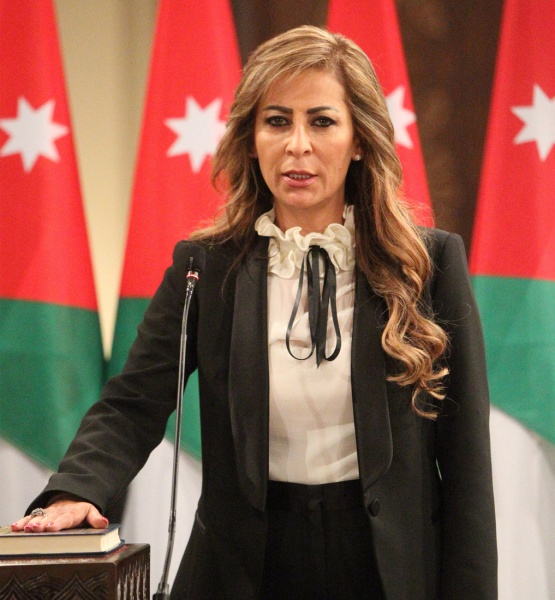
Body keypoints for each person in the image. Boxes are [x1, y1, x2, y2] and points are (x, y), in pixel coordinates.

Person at [12, 25, 497, 599]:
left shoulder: (429, 265)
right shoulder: (204, 267)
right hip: (245, 567)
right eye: (277, 121)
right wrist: (76, 489)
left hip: (386, 569)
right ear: (250, 139)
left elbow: (467, 466)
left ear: (360, 141)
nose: (297, 145)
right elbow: (134, 401)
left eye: (322, 121)